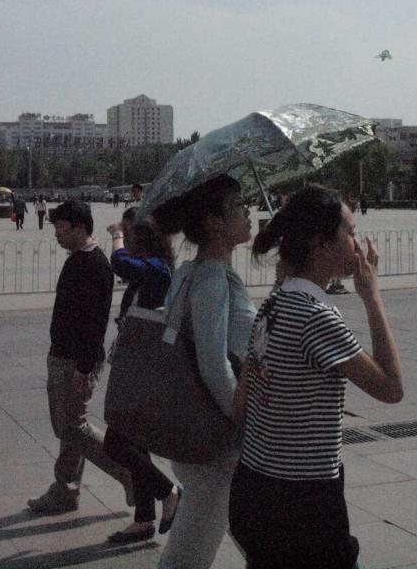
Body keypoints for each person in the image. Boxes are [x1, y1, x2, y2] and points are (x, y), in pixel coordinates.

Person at [229, 185, 403, 569]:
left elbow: (241, 407)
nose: (357, 243)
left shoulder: (272, 305)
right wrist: (372, 296)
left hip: (253, 490)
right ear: (321, 244)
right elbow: (391, 388)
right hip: (304, 506)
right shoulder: (315, 316)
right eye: (351, 232)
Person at [150, 174, 256, 569]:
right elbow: (214, 366)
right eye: (238, 206)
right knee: (187, 557)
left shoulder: (190, 271)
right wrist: (243, 419)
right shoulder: (212, 278)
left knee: (257, 536)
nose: (248, 212)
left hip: (199, 432)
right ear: (214, 223)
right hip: (215, 442)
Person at [27, 200, 134, 516]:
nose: (57, 235)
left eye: (62, 228)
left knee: (73, 428)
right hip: (63, 355)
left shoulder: (95, 265)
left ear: (80, 227)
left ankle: (131, 473)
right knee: (66, 428)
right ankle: (66, 490)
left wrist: (84, 369)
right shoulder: (78, 260)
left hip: (76, 360)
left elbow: (95, 322)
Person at [102, 212, 181, 544]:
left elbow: (119, 263)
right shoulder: (150, 269)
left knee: (116, 442)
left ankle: (169, 491)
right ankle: (144, 518)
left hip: (145, 370)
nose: (128, 243)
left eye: (132, 237)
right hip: (135, 365)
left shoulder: (157, 269)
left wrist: (116, 235)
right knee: (135, 443)